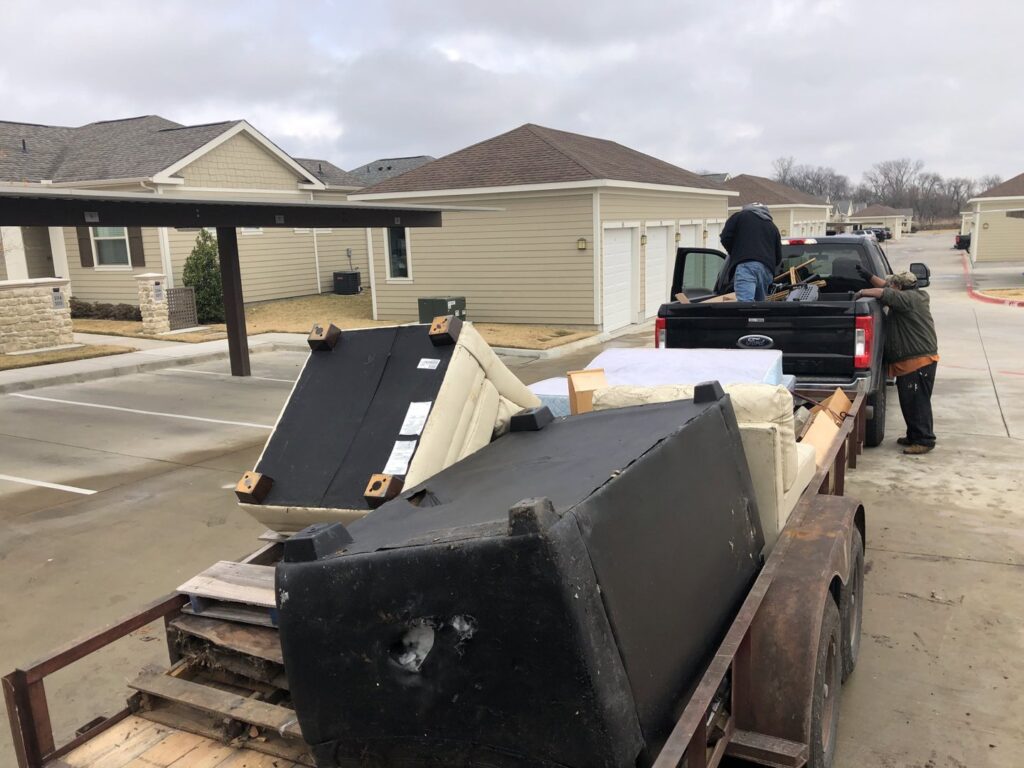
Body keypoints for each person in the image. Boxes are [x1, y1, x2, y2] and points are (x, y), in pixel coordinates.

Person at [855, 269, 939, 454]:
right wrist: (867, 276)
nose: (890, 286)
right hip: (915, 361)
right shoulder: (914, 294)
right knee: (909, 401)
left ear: (900, 287)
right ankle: (914, 435)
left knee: (917, 402)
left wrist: (861, 292)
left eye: (894, 284)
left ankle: (924, 440)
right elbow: (885, 287)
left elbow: (883, 292)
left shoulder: (907, 299)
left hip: (918, 362)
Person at [719, 202, 783, 301]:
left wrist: (737, 252)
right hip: (766, 271)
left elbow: (725, 238)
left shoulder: (739, 216)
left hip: (747, 267)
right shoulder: (772, 227)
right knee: (759, 308)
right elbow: (778, 258)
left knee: (746, 307)